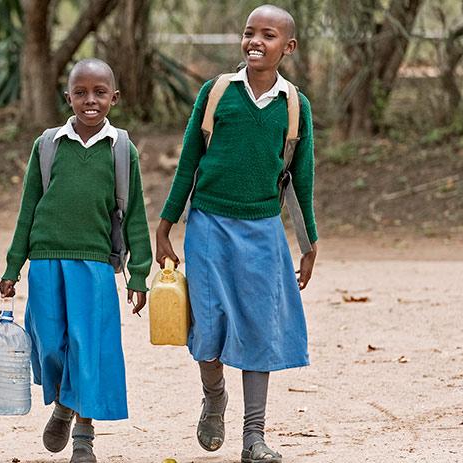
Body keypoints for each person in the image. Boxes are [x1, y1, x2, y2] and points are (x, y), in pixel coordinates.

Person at [154, 5, 318, 463]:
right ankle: (214, 394)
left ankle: (253, 436)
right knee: (207, 326)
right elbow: (189, 162)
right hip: (208, 226)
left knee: (258, 329)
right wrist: (165, 227)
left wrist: (308, 246)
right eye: (249, 33)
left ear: (288, 47)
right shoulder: (217, 93)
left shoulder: (293, 105)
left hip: (264, 233)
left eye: (268, 35)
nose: (255, 42)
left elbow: (300, 181)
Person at [0, 58, 152, 463]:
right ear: (67, 97)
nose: (90, 100)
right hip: (46, 263)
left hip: (95, 265)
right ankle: (63, 404)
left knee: (90, 348)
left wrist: (139, 274)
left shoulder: (122, 150)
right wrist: (13, 267)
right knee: (50, 344)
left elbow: (134, 213)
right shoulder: (48, 145)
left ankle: (83, 436)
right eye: (80, 92)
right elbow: (28, 207)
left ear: (114, 98)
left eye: (100, 92)